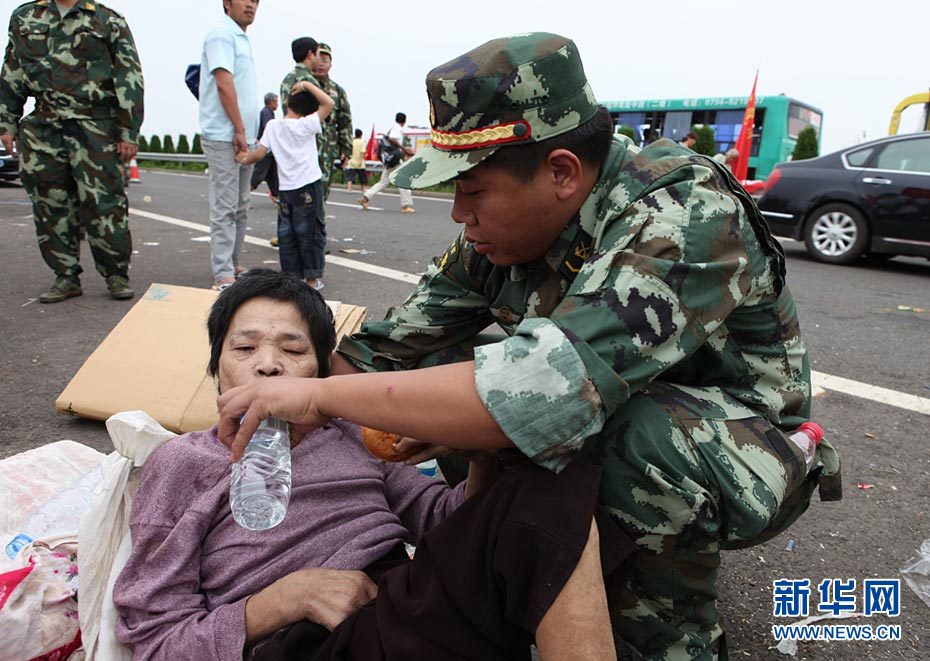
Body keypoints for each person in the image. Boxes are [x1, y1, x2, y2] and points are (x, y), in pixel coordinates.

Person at [216, 33, 841, 660]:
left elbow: (539, 395)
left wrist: (320, 398)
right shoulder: (495, 240)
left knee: (605, 433)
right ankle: (524, 578)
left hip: (738, 446)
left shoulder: (681, 214)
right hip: (609, 409)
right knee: (435, 382)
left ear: (561, 172)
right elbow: (383, 353)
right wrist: (253, 428)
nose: (458, 213)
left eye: (473, 189)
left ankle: (666, 637)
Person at [114, 269, 617, 661]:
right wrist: (288, 598)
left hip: (402, 603)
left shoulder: (352, 433)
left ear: (320, 373)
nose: (267, 365)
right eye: (244, 348)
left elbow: (446, 521)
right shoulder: (183, 462)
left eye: (293, 350)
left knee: (545, 486)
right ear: (215, 369)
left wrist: (481, 453)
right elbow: (158, 642)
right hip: (309, 643)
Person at [0, 0, 144, 303]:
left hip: (96, 126)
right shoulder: (25, 17)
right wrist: (7, 123)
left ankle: (116, 274)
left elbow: (128, 75)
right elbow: (12, 71)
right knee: (50, 203)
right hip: (44, 126)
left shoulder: (108, 20)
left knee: (105, 203)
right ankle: (65, 276)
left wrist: (128, 130)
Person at [237, 83, 333, 291]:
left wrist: (243, 159)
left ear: (288, 103)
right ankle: (312, 281)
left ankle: (292, 279)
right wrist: (306, 84)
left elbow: (259, 154)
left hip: (286, 190)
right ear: (309, 109)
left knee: (287, 234)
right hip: (308, 186)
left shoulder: (273, 125)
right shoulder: (307, 124)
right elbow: (329, 103)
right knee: (311, 233)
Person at [199, 0, 260, 291]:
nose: (251, 4)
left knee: (241, 206)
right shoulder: (221, 34)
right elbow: (224, 83)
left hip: (244, 136)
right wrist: (238, 128)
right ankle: (222, 272)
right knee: (225, 206)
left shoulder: (240, 37)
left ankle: (233, 264)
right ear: (227, 2)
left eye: (256, 0)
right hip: (225, 135)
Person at [311, 43, 353, 200]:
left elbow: (345, 121)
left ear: (330, 64)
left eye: (325, 60)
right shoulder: (304, 84)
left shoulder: (337, 91)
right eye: (318, 59)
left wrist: (346, 150)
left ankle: (317, 223)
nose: (321, 64)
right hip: (303, 144)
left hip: (327, 148)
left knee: (322, 190)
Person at [358, 112, 415, 213]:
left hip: (389, 160)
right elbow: (392, 139)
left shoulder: (393, 128)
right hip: (394, 161)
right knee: (404, 181)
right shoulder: (397, 128)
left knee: (383, 182)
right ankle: (405, 205)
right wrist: (404, 149)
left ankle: (365, 198)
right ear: (404, 121)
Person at [250, 92, 280, 202]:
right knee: (258, 175)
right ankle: (242, 196)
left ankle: (278, 197)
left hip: (270, 151)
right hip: (265, 150)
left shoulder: (269, 113)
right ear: (271, 102)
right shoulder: (266, 113)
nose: (277, 104)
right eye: (276, 101)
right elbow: (269, 130)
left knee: (273, 177)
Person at [280, 37, 320, 114]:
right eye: (318, 54)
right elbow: (316, 117)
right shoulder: (309, 80)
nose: (319, 59)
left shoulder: (286, 79)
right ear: (310, 54)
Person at [344, 128, 368, 195]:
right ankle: (363, 190)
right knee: (362, 178)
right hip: (360, 164)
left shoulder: (352, 141)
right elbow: (362, 153)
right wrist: (360, 161)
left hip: (351, 162)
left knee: (350, 178)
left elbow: (348, 152)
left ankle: (349, 189)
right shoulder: (362, 142)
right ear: (361, 135)